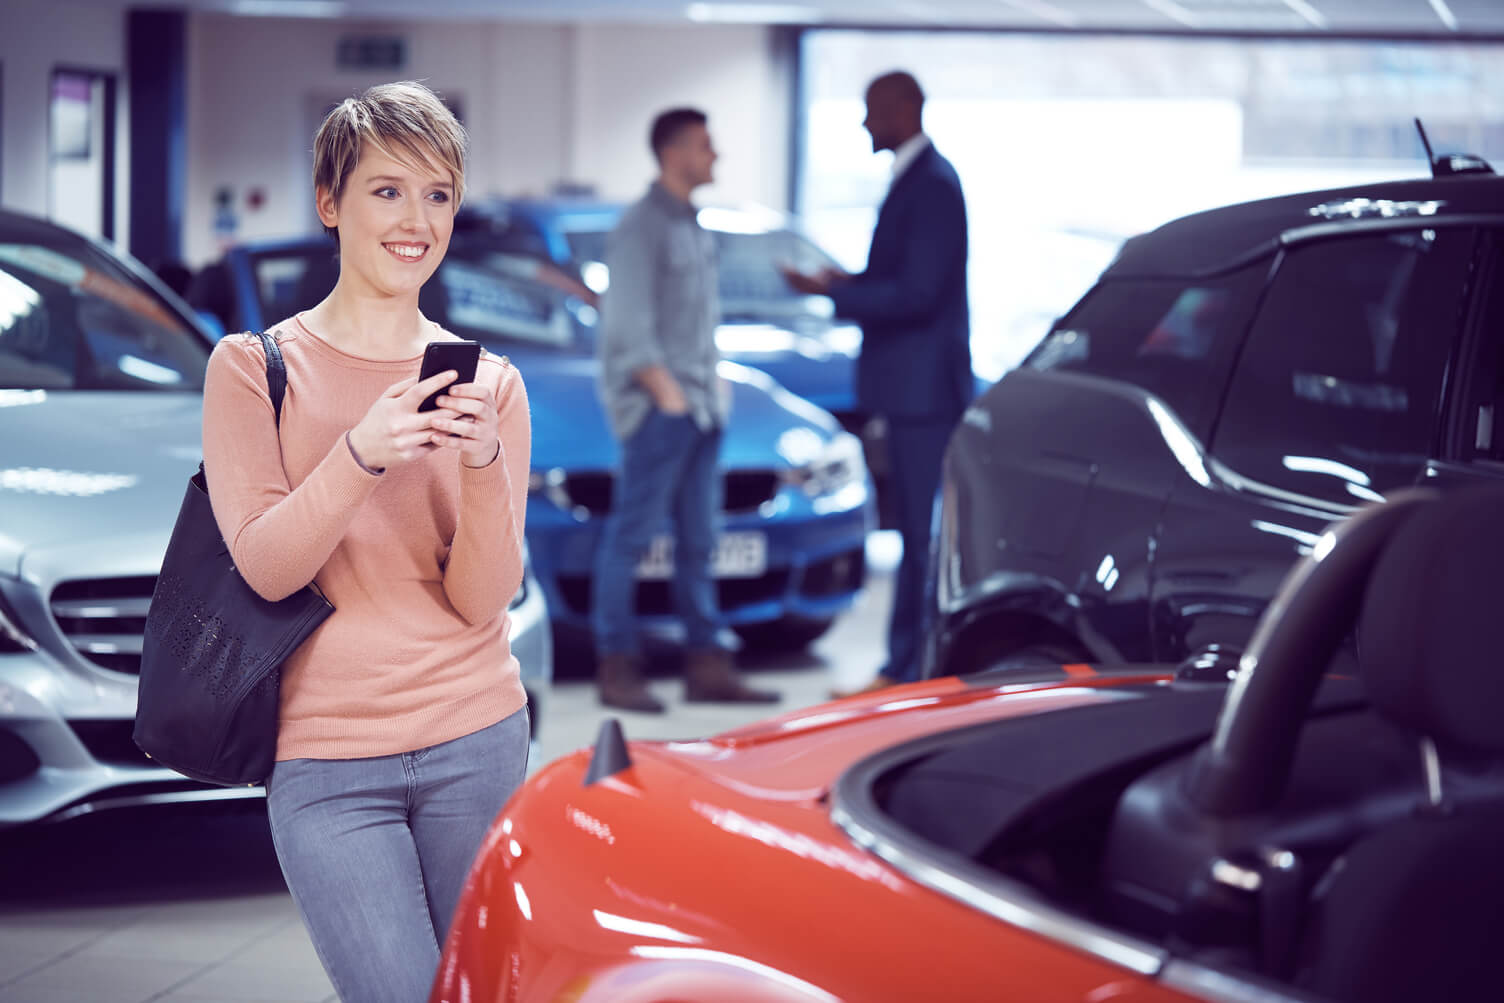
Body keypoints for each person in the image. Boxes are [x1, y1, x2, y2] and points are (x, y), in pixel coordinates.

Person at [199, 81, 530, 1002]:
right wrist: (360, 453)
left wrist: (482, 462)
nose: (415, 220)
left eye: (437, 195)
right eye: (387, 190)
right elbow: (267, 566)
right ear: (328, 202)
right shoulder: (252, 369)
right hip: (327, 759)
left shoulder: (491, 383)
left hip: (478, 735)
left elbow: (481, 599)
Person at [781, 71, 971, 694]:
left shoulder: (934, 185)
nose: (865, 123)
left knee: (922, 537)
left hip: (925, 395)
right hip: (910, 390)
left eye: (872, 111)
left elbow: (917, 294)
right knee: (918, 536)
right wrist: (845, 284)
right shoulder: (917, 181)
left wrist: (839, 294)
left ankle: (906, 672)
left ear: (906, 109)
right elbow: (906, 276)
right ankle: (906, 668)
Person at [590, 107, 778, 713]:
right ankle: (617, 667)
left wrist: (707, 392)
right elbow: (628, 326)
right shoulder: (640, 227)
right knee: (631, 538)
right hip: (660, 410)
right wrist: (666, 395)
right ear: (674, 152)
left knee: (701, 540)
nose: (715, 155)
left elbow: (696, 324)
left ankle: (706, 664)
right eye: (705, 145)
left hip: (700, 409)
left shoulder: (693, 226)